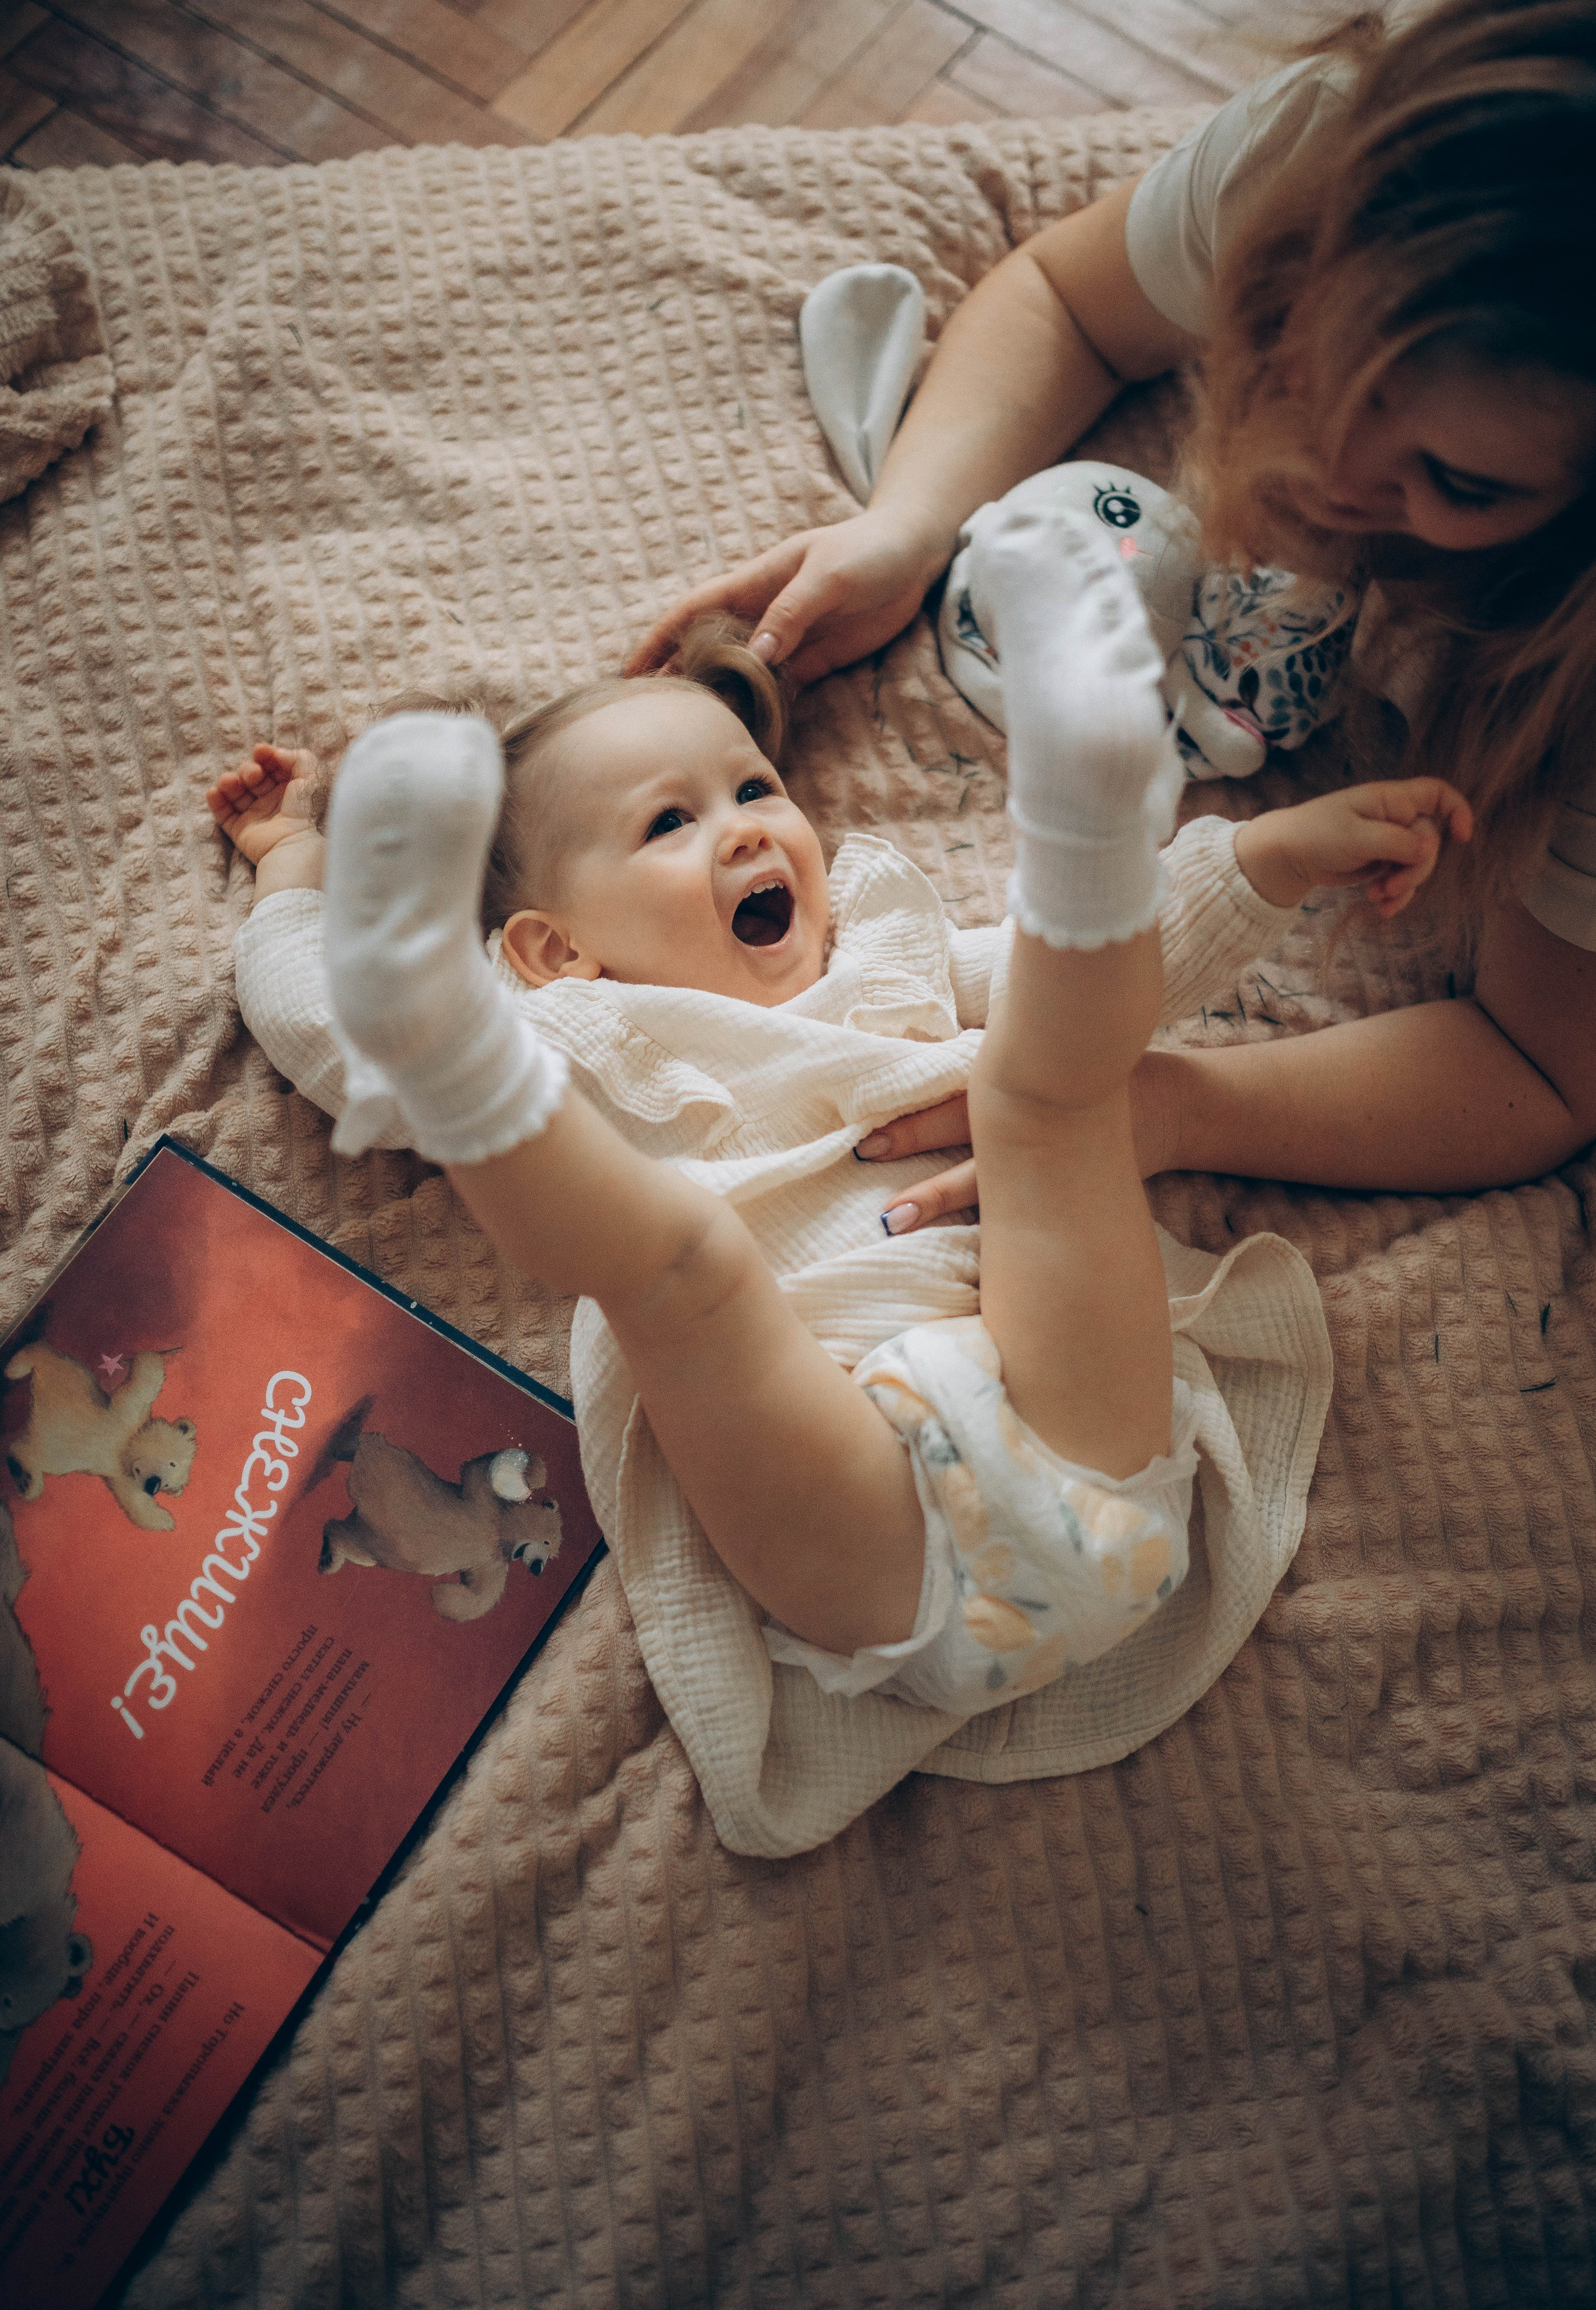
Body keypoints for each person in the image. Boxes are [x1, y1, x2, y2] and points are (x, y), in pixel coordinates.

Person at [209, 511, 1462, 1851]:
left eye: (756, 790)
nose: (750, 830)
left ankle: (1085, 799)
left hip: (1085, 1429)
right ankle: (459, 1075)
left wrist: (1265, 857)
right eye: (671, 823)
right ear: (551, 948)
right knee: (680, 1272)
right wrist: (292, 868)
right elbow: (318, 1033)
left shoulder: (885, 952)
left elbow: (1112, 989)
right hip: (875, 1552)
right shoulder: (574, 1027)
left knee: (1049, 1088)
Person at [633, 0, 1596, 1227]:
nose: (1314, 483)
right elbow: (1068, 301)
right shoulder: (1310, 152)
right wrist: (914, 519)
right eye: (1308, 366)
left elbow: (1543, 1069)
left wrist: (1171, 1105)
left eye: (1458, 483)